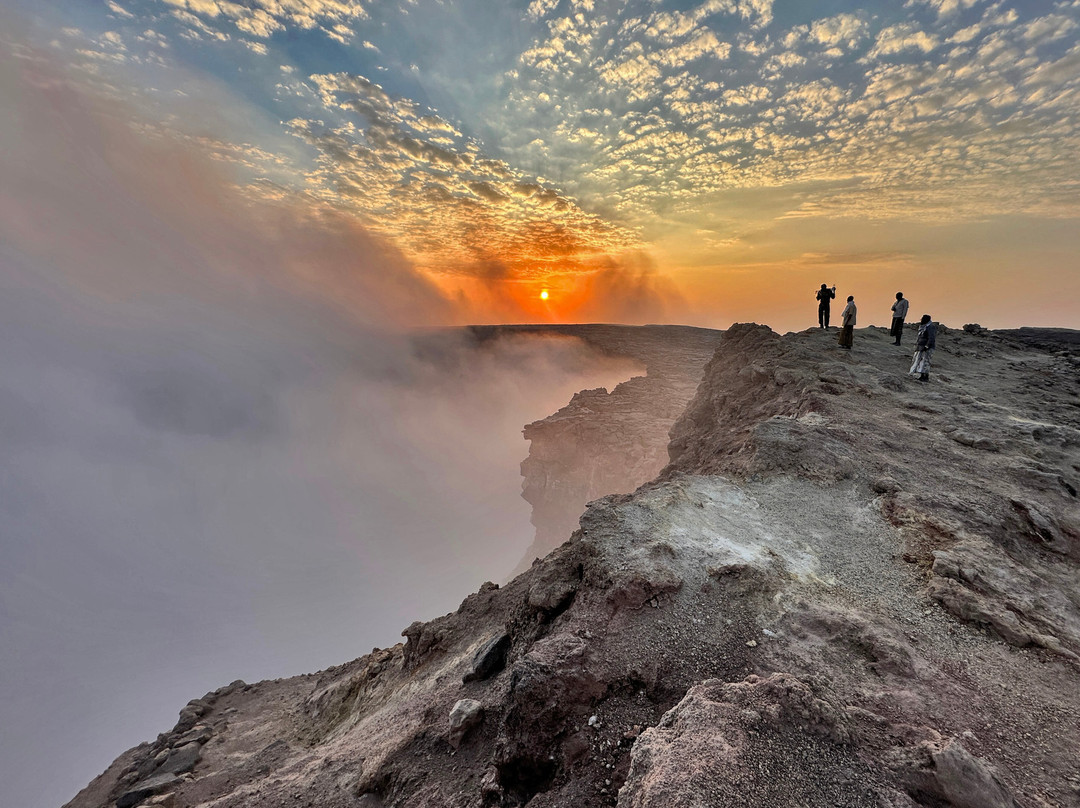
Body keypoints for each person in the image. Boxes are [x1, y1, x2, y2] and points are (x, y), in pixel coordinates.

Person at [910, 314, 937, 381]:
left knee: (926, 361)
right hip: (921, 347)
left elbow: (931, 337)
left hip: (927, 348)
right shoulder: (924, 327)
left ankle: (925, 376)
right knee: (921, 361)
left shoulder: (930, 327)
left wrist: (927, 346)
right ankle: (922, 375)